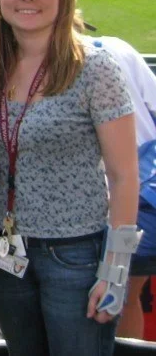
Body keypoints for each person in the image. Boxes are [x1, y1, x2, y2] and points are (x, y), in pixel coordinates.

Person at [0, 0, 139, 356]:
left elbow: (125, 177)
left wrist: (115, 270)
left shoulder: (94, 68)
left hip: (75, 256)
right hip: (7, 250)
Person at [80, 32, 156, 339]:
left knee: (111, 299)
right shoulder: (119, 47)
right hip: (147, 201)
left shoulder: (48, 62)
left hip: (121, 204)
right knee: (126, 298)